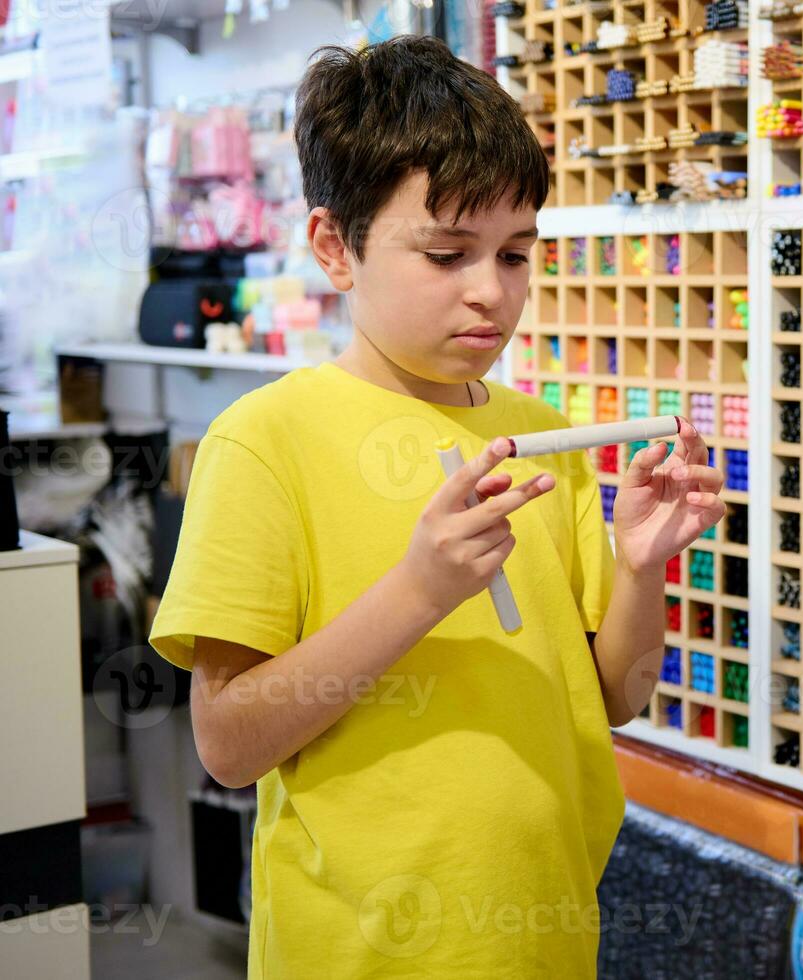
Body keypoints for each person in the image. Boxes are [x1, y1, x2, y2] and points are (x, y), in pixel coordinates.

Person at [149, 36, 724, 978]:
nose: (490, 295)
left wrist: (638, 565)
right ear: (336, 246)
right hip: (359, 953)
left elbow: (616, 697)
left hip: (544, 936)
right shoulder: (267, 440)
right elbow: (228, 744)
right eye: (447, 253)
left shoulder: (544, 434)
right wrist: (419, 590)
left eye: (515, 254)